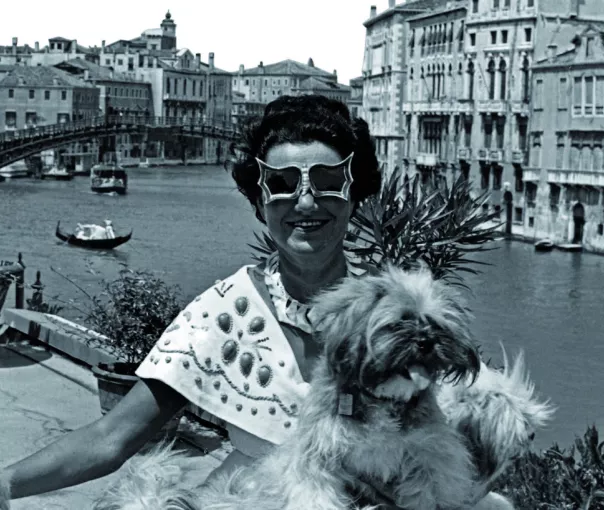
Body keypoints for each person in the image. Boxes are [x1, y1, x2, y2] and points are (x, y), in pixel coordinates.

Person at [0, 95, 509, 509]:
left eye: (328, 183)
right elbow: (113, 437)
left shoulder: (411, 312)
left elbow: (479, 435)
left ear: (355, 193)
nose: (306, 202)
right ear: (259, 199)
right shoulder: (223, 314)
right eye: (283, 185)